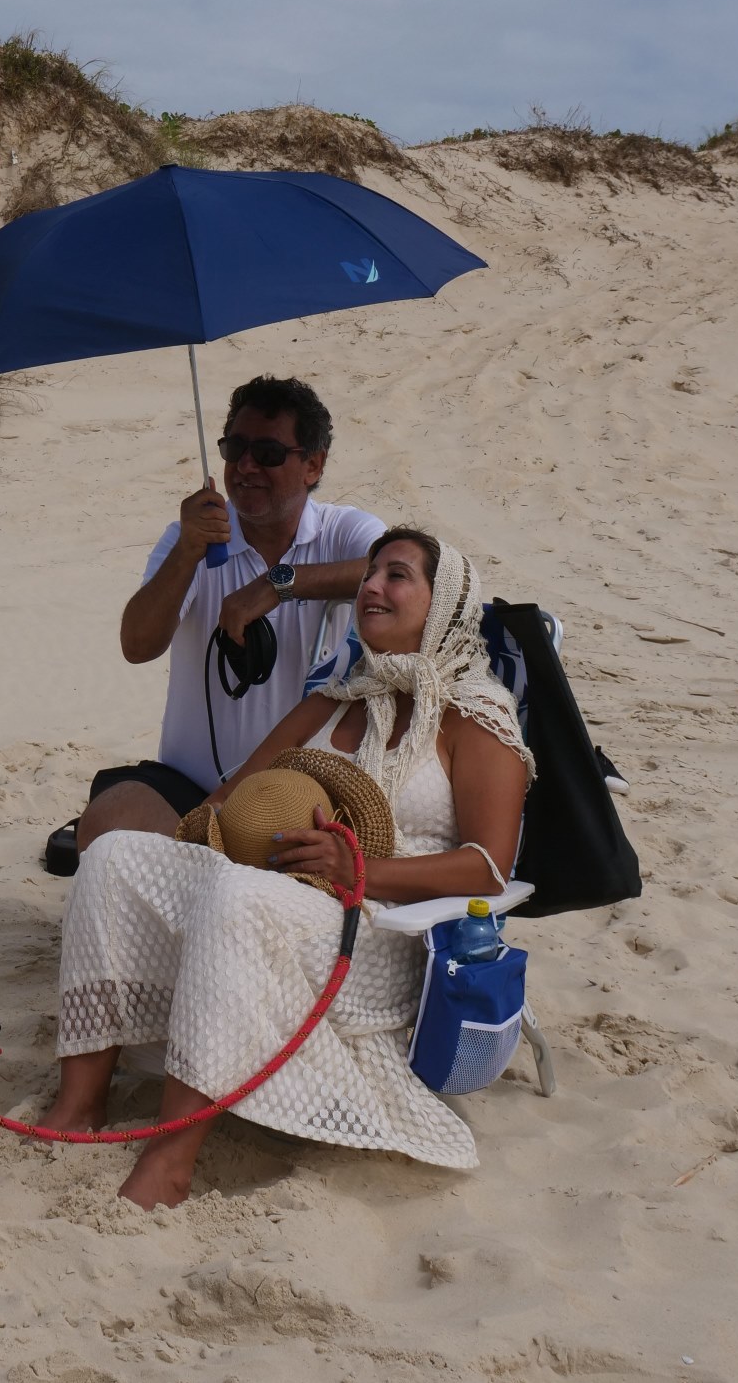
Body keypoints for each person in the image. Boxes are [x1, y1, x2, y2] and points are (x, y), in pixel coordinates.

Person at [47, 529, 534, 1209]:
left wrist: (357, 869)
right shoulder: (335, 697)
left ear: (444, 601)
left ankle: (170, 1160)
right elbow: (232, 796)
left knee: (237, 897)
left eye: (397, 575)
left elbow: (487, 869)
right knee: (113, 857)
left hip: (381, 927)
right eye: (369, 573)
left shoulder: (473, 716)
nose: (372, 587)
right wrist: (204, 837)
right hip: (271, 891)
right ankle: (79, 1106)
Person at [76, 376, 385, 852]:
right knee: (106, 825)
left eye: (268, 453)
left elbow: (406, 574)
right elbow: (137, 646)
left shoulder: (342, 531)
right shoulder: (190, 542)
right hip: (191, 791)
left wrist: (278, 584)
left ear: (313, 465)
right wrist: (188, 552)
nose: (245, 466)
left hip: (299, 794)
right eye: (235, 448)